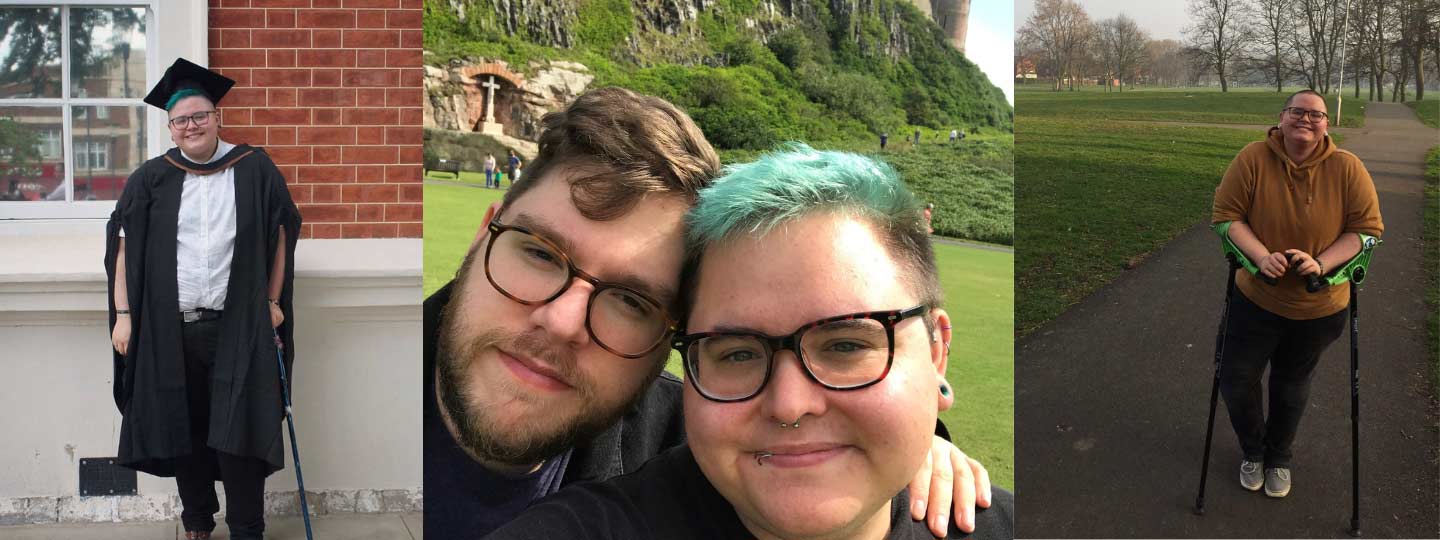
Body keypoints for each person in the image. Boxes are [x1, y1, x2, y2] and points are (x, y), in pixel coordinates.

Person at [426, 88, 992, 540]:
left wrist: (915, 436)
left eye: (631, 301)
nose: (563, 320)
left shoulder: (693, 436)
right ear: (481, 239)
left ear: (670, 339)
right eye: (540, 254)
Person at [105, 58, 301, 540]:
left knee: (241, 432)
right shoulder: (152, 179)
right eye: (181, 120)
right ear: (171, 129)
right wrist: (125, 316)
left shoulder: (253, 168)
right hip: (170, 328)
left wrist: (274, 301)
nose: (191, 126)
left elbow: (281, 235)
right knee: (182, 427)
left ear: (218, 117)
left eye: (200, 115)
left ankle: (247, 528)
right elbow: (122, 247)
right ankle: (196, 521)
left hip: (238, 325)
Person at [1211, 89, 1383, 498]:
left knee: (1291, 384)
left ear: (1327, 123)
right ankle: (1253, 449)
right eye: (1297, 112)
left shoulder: (1348, 167)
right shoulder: (1252, 158)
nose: (1306, 119)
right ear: (1282, 117)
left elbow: (1367, 230)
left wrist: (1321, 264)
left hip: (1318, 307)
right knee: (1235, 379)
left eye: (1316, 114)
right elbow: (1226, 216)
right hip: (1255, 299)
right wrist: (1259, 256)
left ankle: (1279, 456)